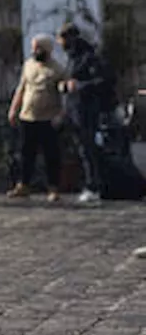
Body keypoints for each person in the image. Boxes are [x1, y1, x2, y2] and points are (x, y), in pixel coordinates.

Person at [58, 22, 113, 206]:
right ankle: (90, 184)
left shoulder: (88, 57)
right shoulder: (72, 58)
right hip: (74, 109)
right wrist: (65, 87)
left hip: (86, 110)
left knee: (89, 148)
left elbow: (103, 80)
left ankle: (94, 186)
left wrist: (78, 86)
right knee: (82, 149)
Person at [7, 34, 65, 202]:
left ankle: (53, 188)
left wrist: (61, 114)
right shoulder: (28, 65)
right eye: (33, 48)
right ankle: (23, 185)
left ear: (46, 49)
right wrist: (13, 109)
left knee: (51, 155)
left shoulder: (57, 69)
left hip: (48, 118)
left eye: (37, 48)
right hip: (28, 116)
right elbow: (21, 88)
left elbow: (64, 93)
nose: (34, 51)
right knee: (26, 153)